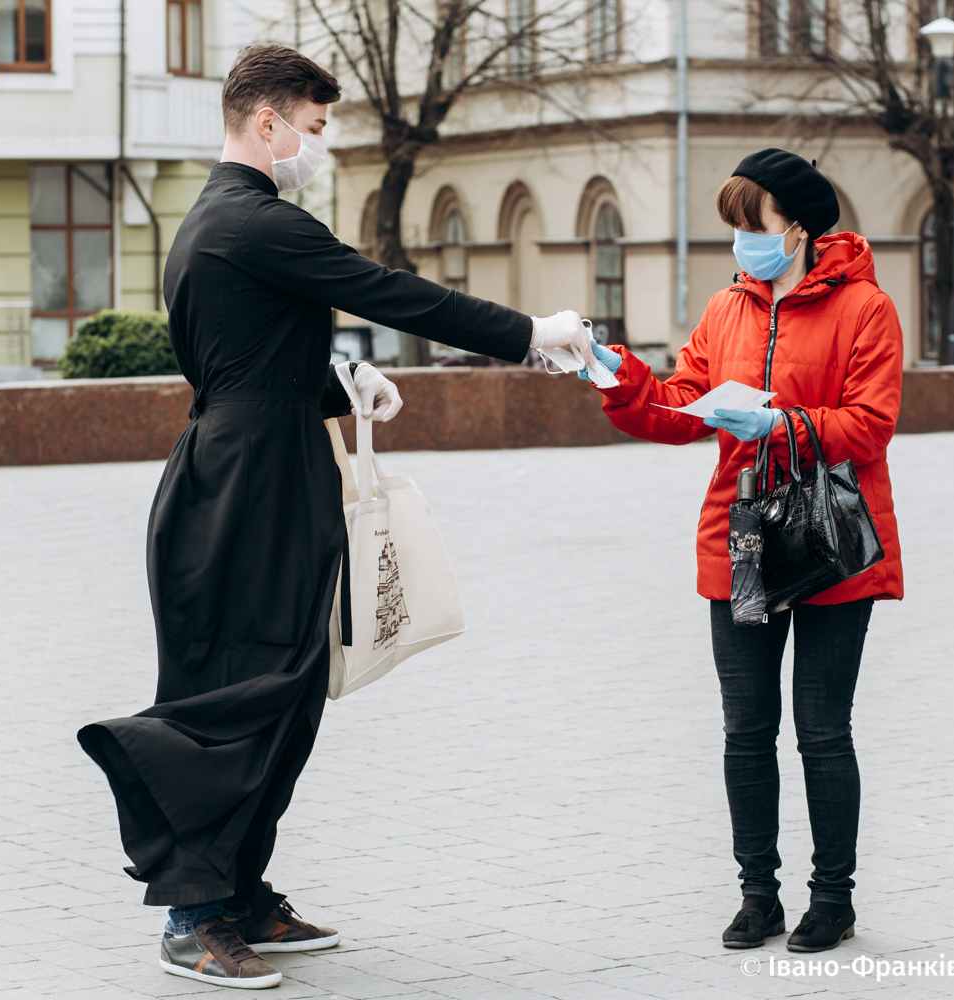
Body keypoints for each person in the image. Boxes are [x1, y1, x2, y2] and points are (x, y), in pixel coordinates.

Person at [75, 44, 596, 991]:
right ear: (265, 123)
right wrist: (530, 335)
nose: (319, 146)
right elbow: (391, 291)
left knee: (290, 683)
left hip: (256, 471)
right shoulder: (254, 219)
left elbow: (242, 357)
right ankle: (194, 916)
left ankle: (238, 893)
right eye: (313, 130)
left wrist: (338, 382)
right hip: (245, 487)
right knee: (239, 689)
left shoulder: (222, 224)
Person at [576, 150, 903, 953]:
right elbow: (684, 404)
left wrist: (785, 425)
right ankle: (758, 894)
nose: (740, 241)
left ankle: (833, 898)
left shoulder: (866, 309)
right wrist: (621, 378)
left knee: (822, 732)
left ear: (796, 226)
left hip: (831, 542)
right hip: (744, 538)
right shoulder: (728, 309)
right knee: (746, 730)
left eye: (749, 224)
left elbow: (871, 422)